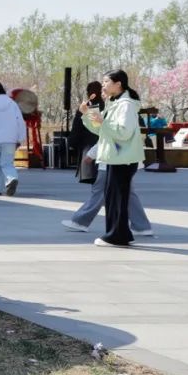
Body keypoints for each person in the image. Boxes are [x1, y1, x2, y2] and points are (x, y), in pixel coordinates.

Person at [63, 81, 154, 236]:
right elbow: (102, 131)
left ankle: (81, 221)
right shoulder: (119, 107)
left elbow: (110, 135)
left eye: (105, 88)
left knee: (100, 191)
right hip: (122, 159)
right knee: (127, 193)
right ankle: (141, 226)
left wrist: (91, 154)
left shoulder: (120, 109)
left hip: (114, 159)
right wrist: (86, 113)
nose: (102, 92)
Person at [80, 69, 145, 247]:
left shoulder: (126, 105)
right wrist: (86, 114)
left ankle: (116, 236)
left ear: (118, 84)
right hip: (115, 157)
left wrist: (103, 121)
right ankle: (120, 234)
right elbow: (100, 130)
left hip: (123, 158)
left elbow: (123, 132)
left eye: (106, 81)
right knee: (114, 197)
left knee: (117, 198)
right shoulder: (114, 102)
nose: (103, 85)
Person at [0, 82, 27, 196]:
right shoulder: (12, 104)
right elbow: (20, 122)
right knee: (7, 163)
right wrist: (20, 138)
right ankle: (12, 178)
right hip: (10, 139)